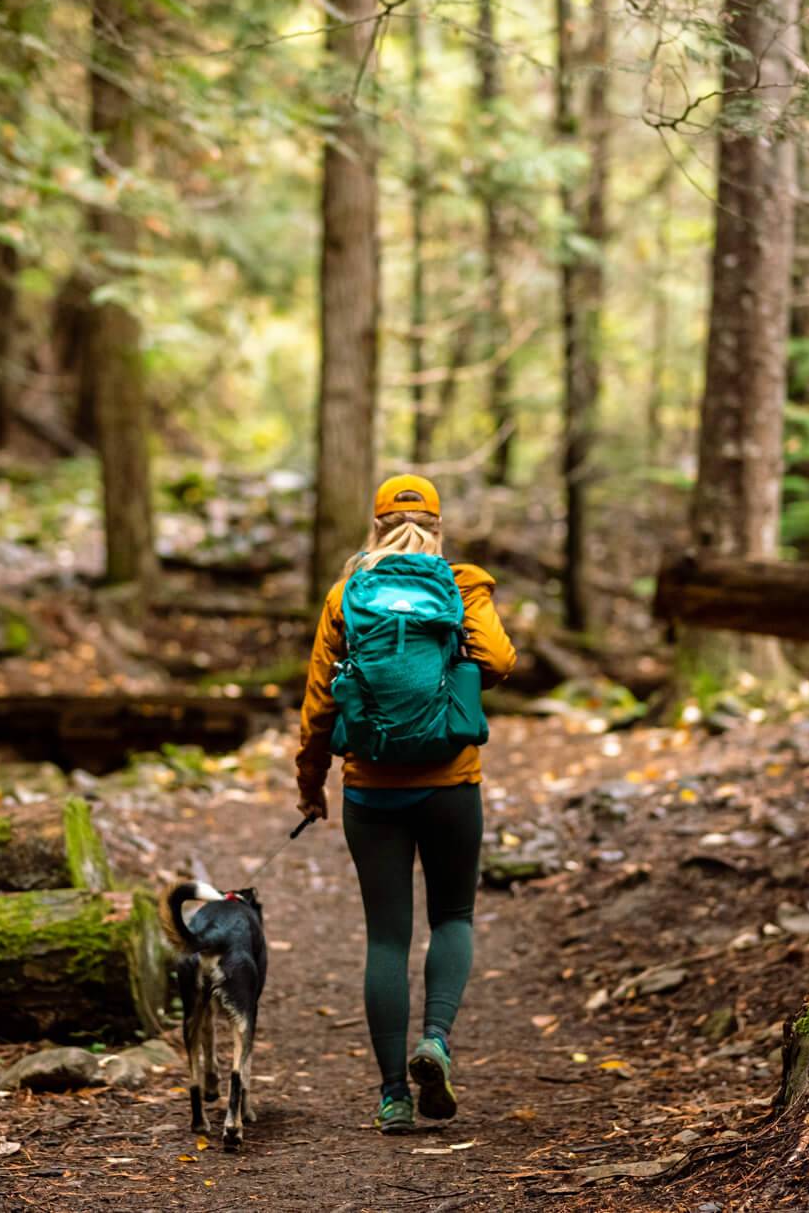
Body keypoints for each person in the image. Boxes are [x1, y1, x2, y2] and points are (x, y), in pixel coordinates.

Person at [296, 474, 517, 1134]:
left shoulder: (347, 594)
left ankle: (393, 1095)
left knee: (386, 937)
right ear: (439, 527)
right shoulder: (459, 584)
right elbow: (501, 659)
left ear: (375, 527)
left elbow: (318, 703)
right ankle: (438, 1040)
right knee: (453, 915)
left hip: (371, 787)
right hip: (452, 781)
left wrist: (311, 784)